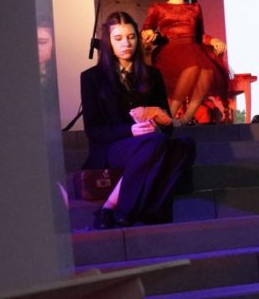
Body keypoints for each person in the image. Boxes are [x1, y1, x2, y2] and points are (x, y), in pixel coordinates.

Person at [80, 12, 196, 229]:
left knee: (185, 145)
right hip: (113, 147)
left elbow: (166, 123)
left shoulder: (153, 75)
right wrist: (131, 130)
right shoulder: (91, 78)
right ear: (108, 42)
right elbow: (94, 131)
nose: (126, 43)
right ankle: (119, 209)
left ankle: (140, 209)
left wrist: (158, 124)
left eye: (131, 37)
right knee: (155, 144)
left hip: (151, 142)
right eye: (118, 38)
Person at [141, 0, 231, 124]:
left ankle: (185, 119)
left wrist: (213, 41)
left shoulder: (195, 8)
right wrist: (148, 34)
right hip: (171, 50)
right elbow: (147, 29)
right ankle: (169, 114)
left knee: (208, 72)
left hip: (192, 48)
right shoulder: (158, 8)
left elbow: (200, 35)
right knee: (193, 66)